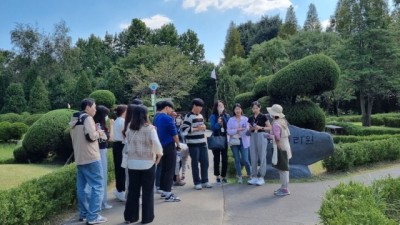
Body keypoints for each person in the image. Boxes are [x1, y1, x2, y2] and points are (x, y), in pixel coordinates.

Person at [69, 98, 108, 224]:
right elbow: (92, 136)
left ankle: (84, 214)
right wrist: (98, 131)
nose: (95, 109)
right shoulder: (88, 118)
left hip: (79, 157)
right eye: (94, 107)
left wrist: (93, 129)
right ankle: (93, 216)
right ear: (87, 107)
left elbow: (82, 135)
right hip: (91, 157)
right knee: (97, 186)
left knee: (82, 187)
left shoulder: (74, 118)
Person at [124, 105, 163, 224]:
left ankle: (130, 217)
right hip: (147, 163)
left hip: (132, 163)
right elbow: (156, 144)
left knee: (133, 191)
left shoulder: (129, 129)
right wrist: (159, 155)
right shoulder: (150, 128)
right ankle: (146, 218)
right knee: (147, 191)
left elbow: (127, 145)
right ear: (145, 115)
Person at [180, 98, 212, 190]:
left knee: (205, 162)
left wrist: (204, 127)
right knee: (195, 163)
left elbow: (203, 127)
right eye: (199, 106)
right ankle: (197, 182)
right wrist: (197, 129)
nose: (200, 108)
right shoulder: (188, 116)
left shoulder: (201, 116)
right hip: (193, 143)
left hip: (202, 142)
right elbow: (184, 130)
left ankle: (205, 181)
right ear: (194, 106)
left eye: (201, 106)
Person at [153, 101, 181, 202]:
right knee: (170, 169)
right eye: (171, 108)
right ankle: (168, 194)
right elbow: (174, 134)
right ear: (167, 107)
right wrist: (178, 145)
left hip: (160, 146)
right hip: (169, 145)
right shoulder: (168, 118)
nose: (172, 111)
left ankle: (164, 192)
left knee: (164, 169)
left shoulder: (156, 118)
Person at [267, 104, 292, 196]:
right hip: (286, 146)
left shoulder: (275, 123)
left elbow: (277, 137)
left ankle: (284, 188)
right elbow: (287, 135)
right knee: (285, 168)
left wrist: (269, 136)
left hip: (280, 147)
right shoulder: (283, 121)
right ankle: (284, 187)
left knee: (282, 169)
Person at [93, 105, 114, 210]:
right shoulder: (99, 126)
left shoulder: (94, 124)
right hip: (101, 151)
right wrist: (111, 125)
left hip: (97, 151)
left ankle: (101, 202)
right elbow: (110, 139)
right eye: (106, 114)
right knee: (102, 177)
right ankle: (102, 203)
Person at [247, 101, 271, 186]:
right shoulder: (250, 117)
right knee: (253, 156)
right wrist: (251, 128)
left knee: (262, 155)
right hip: (253, 135)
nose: (255, 109)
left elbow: (269, 127)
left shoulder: (263, 116)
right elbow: (248, 129)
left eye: (256, 108)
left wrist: (260, 127)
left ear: (259, 108)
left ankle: (261, 177)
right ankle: (254, 176)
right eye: (253, 108)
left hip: (261, 135)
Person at [226, 103, 251, 184]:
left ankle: (250, 175)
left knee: (245, 160)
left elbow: (248, 130)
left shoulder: (246, 119)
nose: (237, 110)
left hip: (244, 141)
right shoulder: (231, 119)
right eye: (236, 109)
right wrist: (237, 130)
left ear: (241, 110)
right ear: (234, 110)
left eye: (239, 109)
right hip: (234, 142)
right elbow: (228, 131)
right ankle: (239, 176)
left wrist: (248, 129)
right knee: (237, 159)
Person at [209, 100, 230, 185]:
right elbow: (213, 128)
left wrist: (223, 118)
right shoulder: (213, 116)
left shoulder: (226, 115)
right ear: (216, 107)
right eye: (219, 106)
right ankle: (217, 176)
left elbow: (228, 126)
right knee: (216, 158)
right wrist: (218, 123)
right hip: (216, 138)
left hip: (224, 138)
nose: (221, 107)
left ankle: (224, 176)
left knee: (225, 158)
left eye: (222, 105)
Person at [112, 104, 128, 202]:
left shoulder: (117, 120)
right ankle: (121, 190)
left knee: (119, 168)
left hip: (117, 145)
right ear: (124, 112)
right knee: (122, 168)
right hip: (121, 145)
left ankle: (119, 189)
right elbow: (125, 133)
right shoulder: (122, 121)